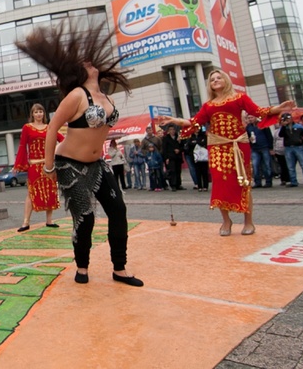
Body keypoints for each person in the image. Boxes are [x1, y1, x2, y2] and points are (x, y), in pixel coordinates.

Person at [16, 21, 143, 287]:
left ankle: (119, 269)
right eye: (86, 63)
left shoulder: (107, 98)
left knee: (118, 210)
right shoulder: (77, 95)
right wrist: (49, 168)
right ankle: (82, 267)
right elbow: (52, 128)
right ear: (79, 71)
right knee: (85, 218)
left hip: (97, 164)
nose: (91, 63)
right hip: (69, 165)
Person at [157, 70, 293, 237]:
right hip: (217, 147)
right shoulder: (208, 105)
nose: (215, 80)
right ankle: (226, 220)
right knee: (220, 183)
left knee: (243, 181)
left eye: (218, 77)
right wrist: (173, 120)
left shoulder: (240, 98)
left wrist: (279, 108)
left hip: (238, 145)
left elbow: (259, 112)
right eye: (212, 79)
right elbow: (194, 122)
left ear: (226, 80)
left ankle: (248, 221)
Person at [13, 103, 64, 232]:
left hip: (48, 165)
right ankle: (25, 222)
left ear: (44, 113)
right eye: (36, 112)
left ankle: (49, 220)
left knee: (50, 191)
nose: (39, 114)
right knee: (31, 193)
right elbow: (22, 146)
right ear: (32, 114)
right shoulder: (27, 127)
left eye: (40, 111)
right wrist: (18, 164)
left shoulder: (49, 127)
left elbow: (62, 140)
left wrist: (56, 153)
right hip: (34, 165)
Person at [278, 113, 303, 187]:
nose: (287, 120)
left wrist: (301, 141)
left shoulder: (299, 126)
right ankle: (293, 182)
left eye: (288, 119)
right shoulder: (284, 128)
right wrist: (283, 126)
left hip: (298, 147)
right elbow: (280, 135)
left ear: (291, 118)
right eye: (285, 119)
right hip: (288, 148)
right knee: (290, 166)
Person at [245, 116, 274, 188]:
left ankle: (268, 181)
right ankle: (257, 182)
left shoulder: (263, 125)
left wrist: (271, 148)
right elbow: (247, 137)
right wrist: (249, 141)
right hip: (254, 148)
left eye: (251, 118)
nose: (250, 119)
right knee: (255, 165)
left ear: (255, 118)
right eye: (249, 118)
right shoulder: (248, 127)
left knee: (266, 165)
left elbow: (269, 136)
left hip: (264, 147)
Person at [161, 124, 184, 191]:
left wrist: (179, 147)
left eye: (173, 129)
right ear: (168, 131)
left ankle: (178, 184)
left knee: (178, 171)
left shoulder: (178, 137)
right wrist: (166, 158)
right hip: (170, 157)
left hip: (178, 156)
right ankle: (173, 185)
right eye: (170, 130)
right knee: (172, 171)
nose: (172, 131)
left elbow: (183, 146)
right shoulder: (166, 138)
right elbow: (164, 149)